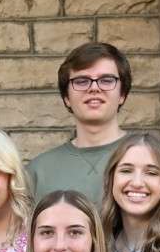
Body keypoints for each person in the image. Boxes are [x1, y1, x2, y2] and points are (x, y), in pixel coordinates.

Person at [24, 41, 130, 210]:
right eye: (81, 81)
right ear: (66, 97)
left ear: (122, 94)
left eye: (106, 80)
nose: (94, 88)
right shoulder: (37, 172)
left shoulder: (154, 158)